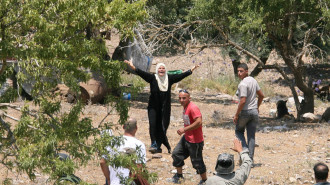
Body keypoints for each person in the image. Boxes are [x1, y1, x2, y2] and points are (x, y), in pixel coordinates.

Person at [125, 60, 199, 153]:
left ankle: (159, 145)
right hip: (153, 107)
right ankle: (153, 143)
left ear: (165, 70)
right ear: (157, 69)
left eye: (163, 68)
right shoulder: (152, 78)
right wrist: (132, 66)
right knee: (153, 125)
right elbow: (141, 73)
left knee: (163, 126)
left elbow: (181, 76)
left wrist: (191, 70)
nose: (161, 69)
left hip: (165, 108)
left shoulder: (169, 78)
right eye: (159, 68)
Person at [170, 90, 207, 185]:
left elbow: (199, 122)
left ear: (189, 98)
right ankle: (179, 176)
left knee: (197, 163)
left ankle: (205, 181)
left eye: (184, 98)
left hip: (195, 141)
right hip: (187, 137)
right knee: (176, 154)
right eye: (179, 98)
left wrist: (184, 129)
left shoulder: (193, 107)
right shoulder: (185, 107)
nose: (181, 100)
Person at [100, 118, 147, 185]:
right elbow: (140, 168)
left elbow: (102, 162)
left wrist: (109, 179)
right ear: (136, 128)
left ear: (123, 127)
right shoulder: (139, 145)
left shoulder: (113, 141)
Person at [233, 63, 264, 164]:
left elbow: (242, 101)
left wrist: (236, 114)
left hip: (245, 112)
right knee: (251, 136)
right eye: (238, 71)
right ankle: (249, 161)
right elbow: (261, 96)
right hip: (254, 112)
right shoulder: (253, 81)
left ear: (247, 71)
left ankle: (245, 151)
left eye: (241, 71)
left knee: (238, 131)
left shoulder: (242, 84)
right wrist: (257, 107)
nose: (239, 73)